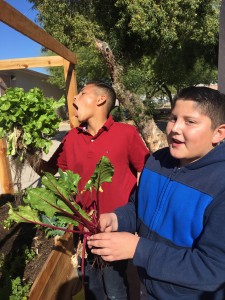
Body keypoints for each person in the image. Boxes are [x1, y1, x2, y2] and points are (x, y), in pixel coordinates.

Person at [87, 86, 225, 300]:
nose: (175, 128)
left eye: (190, 121)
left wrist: (139, 249)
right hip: (147, 286)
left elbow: (214, 269)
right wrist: (117, 219)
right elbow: (137, 205)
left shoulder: (220, 185)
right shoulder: (157, 161)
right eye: (173, 118)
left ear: (219, 133)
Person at [32, 81, 150, 299]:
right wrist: (27, 150)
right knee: (92, 287)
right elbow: (48, 171)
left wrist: (138, 215)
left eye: (82, 93)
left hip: (114, 228)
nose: (74, 98)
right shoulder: (71, 137)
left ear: (100, 100)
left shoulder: (126, 133)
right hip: (82, 228)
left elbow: (148, 173)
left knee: (114, 287)